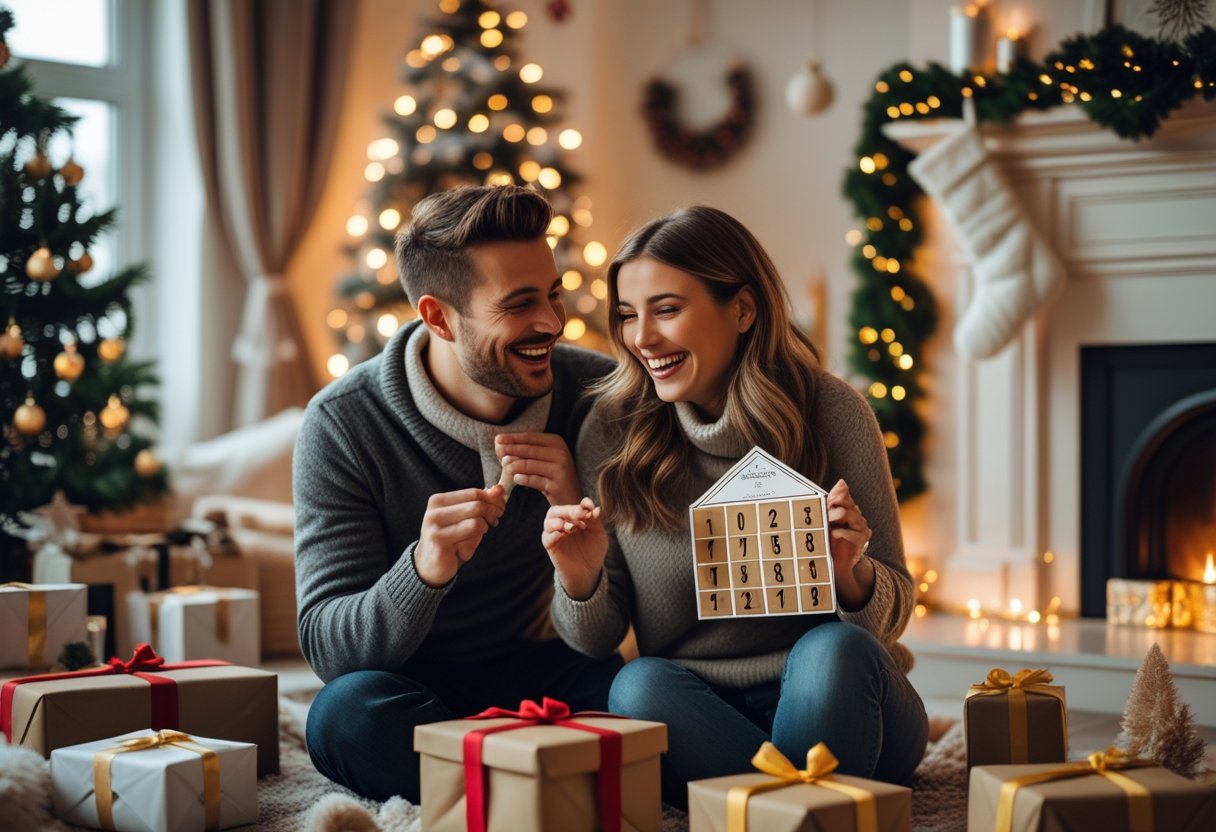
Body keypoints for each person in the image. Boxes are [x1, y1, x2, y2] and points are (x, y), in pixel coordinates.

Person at [543, 206, 928, 807]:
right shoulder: (613, 429)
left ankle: (762, 812)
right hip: (702, 712)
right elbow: (598, 641)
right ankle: (802, 814)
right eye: (626, 315)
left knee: (834, 649)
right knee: (636, 684)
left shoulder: (832, 411)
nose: (641, 338)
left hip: (846, 700)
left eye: (666, 309)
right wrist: (580, 575)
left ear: (742, 310)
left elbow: (893, 610)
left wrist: (853, 575)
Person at [293, 185, 623, 803]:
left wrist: (581, 545)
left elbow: (609, 628)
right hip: (413, 687)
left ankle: (487, 782)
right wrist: (422, 571)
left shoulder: (595, 394)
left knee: (640, 696)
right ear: (439, 317)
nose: (552, 323)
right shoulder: (343, 423)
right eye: (520, 304)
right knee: (342, 716)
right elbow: (327, 644)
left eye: (553, 294)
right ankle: (536, 782)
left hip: (548, 673)